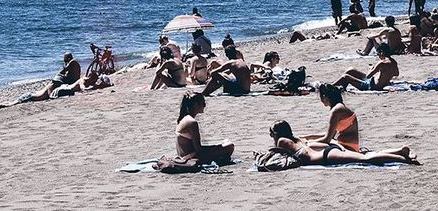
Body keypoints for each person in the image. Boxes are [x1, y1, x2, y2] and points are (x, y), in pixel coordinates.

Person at [262, 121, 418, 167]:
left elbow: (273, 152)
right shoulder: (296, 139)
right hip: (327, 151)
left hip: (324, 156)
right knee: (364, 155)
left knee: (364, 159)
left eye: (272, 132)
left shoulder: (282, 141)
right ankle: (399, 151)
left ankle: (402, 159)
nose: (271, 135)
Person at [171, 93, 234, 167]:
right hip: (191, 158)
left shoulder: (184, 119)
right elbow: (198, 149)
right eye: (203, 103)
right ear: (195, 105)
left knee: (224, 144)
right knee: (229, 146)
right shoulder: (191, 122)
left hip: (185, 156)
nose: (205, 106)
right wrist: (216, 148)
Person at [308, 83, 360, 150]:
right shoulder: (340, 107)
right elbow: (330, 134)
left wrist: (308, 142)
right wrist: (307, 137)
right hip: (350, 145)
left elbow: (327, 139)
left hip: (347, 147)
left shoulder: (336, 111)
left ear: (324, 97)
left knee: (309, 146)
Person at [334, 52, 399, 92]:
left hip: (371, 86)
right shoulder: (393, 62)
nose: (378, 56)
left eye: (378, 54)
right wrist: (385, 76)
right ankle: (343, 88)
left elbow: (368, 76)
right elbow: (396, 73)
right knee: (350, 70)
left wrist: (372, 68)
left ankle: (330, 87)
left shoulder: (381, 63)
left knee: (345, 77)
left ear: (382, 53)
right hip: (373, 82)